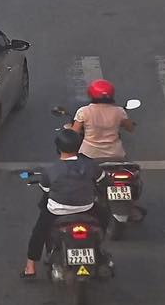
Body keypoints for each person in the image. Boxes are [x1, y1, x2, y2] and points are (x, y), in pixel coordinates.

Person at [22, 129, 107, 278]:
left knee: (39, 232)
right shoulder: (90, 165)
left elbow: (46, 189)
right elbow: (102, 179)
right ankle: (98, 249)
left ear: (58, 148)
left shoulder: (51, 170)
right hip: (86, 209)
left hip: (57, 212)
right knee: (104, 217)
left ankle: (30, 267)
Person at [68, 79, 136, 160]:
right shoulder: (119, 111)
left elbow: (74, 133)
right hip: (115, 154)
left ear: (90, 94)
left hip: (89, 154)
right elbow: (130, 128)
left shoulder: (84, 111)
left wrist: (69, 128)